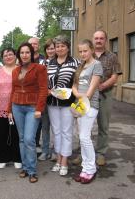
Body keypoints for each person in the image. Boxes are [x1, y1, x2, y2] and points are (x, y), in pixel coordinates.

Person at [8, 42, 48, 183]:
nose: (24, 55)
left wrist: (39, 108)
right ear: (19, 55)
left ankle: (32, 170)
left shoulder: (39, 68)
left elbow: (44, 90)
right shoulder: (15, 70)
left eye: (27, 52)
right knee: (22, 138)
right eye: (22, 53)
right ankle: (24, 167)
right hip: (17, 106)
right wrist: (9, 110)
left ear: (32, 54)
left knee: (30, 139)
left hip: (32, 107)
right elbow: (12, 90)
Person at [47, 35, 80, 176]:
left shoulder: (76, 63)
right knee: (56, 132)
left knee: (67, 132)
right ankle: (58, 159)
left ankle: (65, 161)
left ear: (68, 47)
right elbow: (44, 82)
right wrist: (49, 91)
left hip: (68, 103)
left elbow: (78, 82)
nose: (59, 48)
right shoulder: (48, 63)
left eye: (62, 46)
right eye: (57, 46)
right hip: (52, 103)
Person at [72, 39, 103, 184]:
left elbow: (91, 91)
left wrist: (81, 97)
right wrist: (77, 95)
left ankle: (91, 169)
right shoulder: (80, 66)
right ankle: (85, 168)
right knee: (82, 136)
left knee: (84, 137)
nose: (83, 54)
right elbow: (74, 85)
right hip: (80, 103)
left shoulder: (97, 65)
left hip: (90, 105)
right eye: (80, 51)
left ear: (91, 50)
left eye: (85, 51)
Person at [0, 48, 22, 169]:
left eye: (10, 54)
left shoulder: (20, 69)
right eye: (5, 55)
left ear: (15, 56)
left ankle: (17, 158)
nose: (8, 57)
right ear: (2, 58)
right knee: (1, 133)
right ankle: (3, 158)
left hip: (17, 108)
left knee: (16, 134)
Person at [93, 30, 122, 166]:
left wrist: (103, 86)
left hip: (105, 94)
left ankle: (101, 154)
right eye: (96, 38)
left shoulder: (112, 56)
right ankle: (83, 153)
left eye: (101, 38)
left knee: (103, 125)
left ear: (105, 40)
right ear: (93, 40)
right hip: (88, 96)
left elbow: (115, 76)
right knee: (83, 126)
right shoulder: (87, 54)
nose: (98, 40)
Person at [38, 39, 56, 161]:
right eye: (48, 49)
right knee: (45, 127)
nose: (50, 50)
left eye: (52, 48)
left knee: (56, 127)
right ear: (45, 51)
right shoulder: (42, 63)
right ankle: (45, 150)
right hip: (44, 99)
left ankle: (55, 151)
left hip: (57, 99)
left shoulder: (61, 62)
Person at [28, 37, 44, 149]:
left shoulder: (44, 59)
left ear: (39, 45)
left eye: (35, 44)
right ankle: (28, 145)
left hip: (41, 95)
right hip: (28, 96)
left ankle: (37, 143)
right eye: (31, 44)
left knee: (39, 121)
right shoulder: (24, 58)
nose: (33, 46)